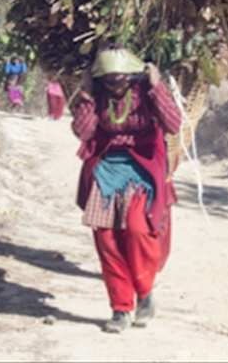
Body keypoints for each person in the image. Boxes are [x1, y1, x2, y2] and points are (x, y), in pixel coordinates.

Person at [71, 46, 181, 333]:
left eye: (121, 78)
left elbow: (173, 124)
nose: (116, 85)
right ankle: (120, 308)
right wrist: (86, 92)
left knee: (136, 228)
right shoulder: (96, 95)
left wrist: (157, 86)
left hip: (142, 166)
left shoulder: (145, 92)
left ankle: (145, 294)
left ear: (133, 75)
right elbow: (83, 132)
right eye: (109, 80)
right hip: (106, 168)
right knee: (106, 238)